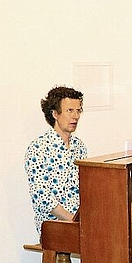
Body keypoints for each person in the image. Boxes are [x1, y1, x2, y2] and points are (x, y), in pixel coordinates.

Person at [25, 86, 87, 236]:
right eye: (70, 111)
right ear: (55, 114)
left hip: (80, 222)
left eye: (78, 111)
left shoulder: (80, 147)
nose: (76, 116)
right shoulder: (38, 148)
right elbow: (42, 198)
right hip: (53, 225)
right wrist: (73, 221)